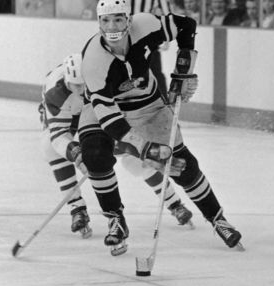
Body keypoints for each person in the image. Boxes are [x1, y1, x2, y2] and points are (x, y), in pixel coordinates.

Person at [78, 0, 243, 256]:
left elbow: (186, 25)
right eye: (106, 21)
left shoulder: (146, 25)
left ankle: (218, 219)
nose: (112, 27)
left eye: (118, 19)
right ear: (98, 23)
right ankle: (115, 219)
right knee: (95, 155)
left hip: (149, 105)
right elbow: (110, 120)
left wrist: (183, 71)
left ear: (129, 20)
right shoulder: (94, 61)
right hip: (107, 110)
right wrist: (144, 148)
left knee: (183, 166)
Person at [39, 53, 194, 246]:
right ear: (66, 81)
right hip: (67, 118)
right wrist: (77, 153)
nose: (80, 90)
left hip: (96, 113)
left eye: (83, 84)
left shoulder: (105, 78)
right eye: (75, 85)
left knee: (134, 158)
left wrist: (130, 146)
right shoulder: (56, 92)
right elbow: (59, 135)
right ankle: (77, 209)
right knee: (50, 147)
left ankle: (173, 203)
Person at [108, 0, 171, 98]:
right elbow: (107, 9)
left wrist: (166, 37)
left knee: (155, 71)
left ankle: (164, 103)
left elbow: (167, 13)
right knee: (119, 71)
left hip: (148, 36)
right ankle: (116, 103)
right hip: (123, 37)